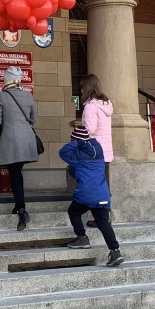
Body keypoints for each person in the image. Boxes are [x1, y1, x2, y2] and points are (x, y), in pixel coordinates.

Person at [60, 125, 124, 267]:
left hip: (86, 193)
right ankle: (115, 252)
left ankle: (82, 237)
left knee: (74, 212)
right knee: (103, 223)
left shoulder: (78, 156)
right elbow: (76, 169)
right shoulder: (99, 151)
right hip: (102, 193)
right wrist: (84, 141)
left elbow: (63, 152)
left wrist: (76, 142)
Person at [0, 65, 39, 230]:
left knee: (15, 175)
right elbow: (34, 119)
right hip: (27, 141)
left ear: (6, 80)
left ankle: (22, 209)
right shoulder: (28, 96)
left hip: (11, 141)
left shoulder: (1, 97)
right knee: (17, 173)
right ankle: (18, 205)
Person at [79, 74, 113, 228]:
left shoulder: (91, 106)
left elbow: (89, 130)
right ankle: (104, 216)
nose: (80, 90)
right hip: (104, 151)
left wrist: (78, 134)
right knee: (102, 185)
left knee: (94, 186)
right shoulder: (105, 105)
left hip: (93, 152)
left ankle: (101, 218)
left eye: (81, 87)